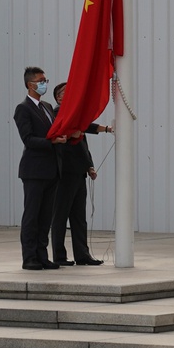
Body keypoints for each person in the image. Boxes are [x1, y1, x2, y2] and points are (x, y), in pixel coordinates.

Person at [50, 82, 111, 266]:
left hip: (78, 172)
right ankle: (59, 256)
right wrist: (74, 133)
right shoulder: (58, 112)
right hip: (65, 172)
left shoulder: (76, 115)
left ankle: (82, 255)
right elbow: (71, 132)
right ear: (59, 97)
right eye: (65, 92)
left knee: (79, 217)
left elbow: (83, 141)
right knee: (60, 216)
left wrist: (89, 166)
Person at [13, 66, 66, 270]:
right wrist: (52, 142)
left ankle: (43, 256)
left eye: (45, 80)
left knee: (45, 217)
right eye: (41, 80)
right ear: (30, 84)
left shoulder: (46, 106)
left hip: (52, 169)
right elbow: (28, 139)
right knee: (32, 215)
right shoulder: (23, 108)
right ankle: (30, 257)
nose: (44, 83)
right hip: (34, 170)